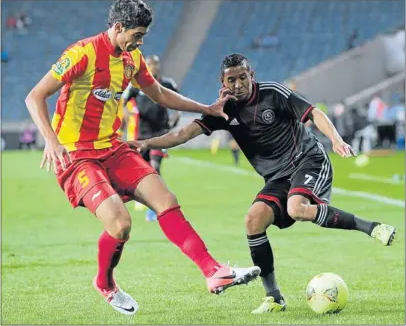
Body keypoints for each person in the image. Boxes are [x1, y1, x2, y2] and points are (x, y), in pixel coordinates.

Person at [24, 3, 260, 316]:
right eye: (136, 35)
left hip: (112, 147)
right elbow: (35, 96)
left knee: (166, 199)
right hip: (77, 155)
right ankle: (105, 284)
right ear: (118, 27)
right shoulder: (82, 53)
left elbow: (159, 93)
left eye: (144, 36)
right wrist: (52, 142)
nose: (140, 43)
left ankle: (213, 271)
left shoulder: (131, 58)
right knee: (121, 225)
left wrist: (206, 108)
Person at [131, 53, 397, 314]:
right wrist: (145, 143)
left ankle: (371, 227)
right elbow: (181, 134)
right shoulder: (222, 111)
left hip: (308, 160)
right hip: (277, 177)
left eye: (242, 78)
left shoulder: (273, 93)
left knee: (297, 208)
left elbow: (314, 113)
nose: (237, 85)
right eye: (231, 80)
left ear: (252, 76)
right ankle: (274, 298)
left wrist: (337, 140)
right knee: (253, 221)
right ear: (222, 83)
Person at [122, 55, 181, 221]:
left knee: (155, 168)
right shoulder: (136, 84)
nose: (153, 66)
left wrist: (176, 117)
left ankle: (155, 209)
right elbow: (122, 102)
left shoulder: (167, 84)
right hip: (140, 136)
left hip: (160, 135)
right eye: (149, 64)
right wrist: (126, 117)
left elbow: (178, 101)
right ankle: (143, 199)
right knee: (141, 171)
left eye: (155, 63)